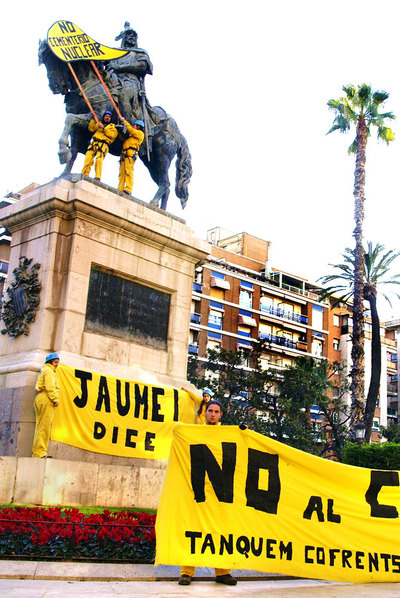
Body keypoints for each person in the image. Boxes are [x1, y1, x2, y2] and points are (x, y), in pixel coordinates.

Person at [179, 400, 238, 586]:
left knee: (221, 531)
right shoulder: (194, 432)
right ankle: (186, 572)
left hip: (219, 490)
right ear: (205, 413)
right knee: (194, 529)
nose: (212, 414)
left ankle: (223, 572)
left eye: (216, 411)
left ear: (221, 415)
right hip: (199, 489)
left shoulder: (228, 434)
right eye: (210, 411)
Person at [32, 353, 60, 458]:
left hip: (41, 398)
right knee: (44, 427)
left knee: (40, 427)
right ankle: (40, 452)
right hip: (46, 399)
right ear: (50, 362)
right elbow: (50, 387)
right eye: (55, 362)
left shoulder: (45, 370)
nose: (57, 364)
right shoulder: (49, 372)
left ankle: (38, 451)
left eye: (58, 362)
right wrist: (55, 399)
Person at [81, 111, 118, 180]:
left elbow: (112, 136)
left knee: (99, 160)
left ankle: (97, 176)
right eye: (106, 116)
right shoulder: (99, 124)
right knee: (88, 159)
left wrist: (104, 128)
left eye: (109, 117)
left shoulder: (112, 128)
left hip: (103, 145)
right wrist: (93, 119)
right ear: (104, 117)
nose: (107, 117)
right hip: (94, 143)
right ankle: (84, 174)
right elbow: (91, 128)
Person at [118, 119, 145, 195]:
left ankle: (129, 188)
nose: (133, 126)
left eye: (134, 125)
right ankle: (120, 188)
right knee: (122, 173)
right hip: (125, 153)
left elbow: (131, 131)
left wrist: (125, 121)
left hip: (130, 153)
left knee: (128, 171)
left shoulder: (140, 134)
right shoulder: (132, 136)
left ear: (138, 126)